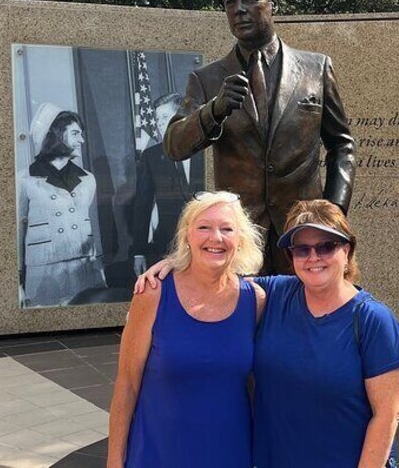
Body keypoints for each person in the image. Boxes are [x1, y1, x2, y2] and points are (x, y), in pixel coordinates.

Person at [136, 199, 399, 467]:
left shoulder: (373, 320)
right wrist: (174, 265)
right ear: (291, 257)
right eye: (301, 249)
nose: (313, 257)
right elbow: (216, 278)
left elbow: (387, 415)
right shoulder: (276, 294)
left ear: (346, 251)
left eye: (326, 246)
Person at [163, 0, 356, 274]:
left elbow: (342, 145)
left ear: (272, 2)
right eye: (230, 1)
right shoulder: (207, 79)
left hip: (303, 233)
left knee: (303, 320)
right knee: (247, 321)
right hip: (240, 237)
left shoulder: (315, 68)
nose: (238, 9)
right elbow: (174, 145)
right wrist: (215, 110)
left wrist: (332, 212)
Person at [107, 191, 266, 467]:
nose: (215, 238)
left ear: (239, 240)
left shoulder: (256, 300)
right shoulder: (153, 293)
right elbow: (127, 384)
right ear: (187, 235)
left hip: (229, 453)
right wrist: (114, 461)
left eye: (226, 229)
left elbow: (253, 386)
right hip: (159, 454)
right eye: (203, 227)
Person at [19, 103, 107, 307]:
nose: (82, 140)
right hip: (44, 277)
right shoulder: (24, 180)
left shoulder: (88, 179)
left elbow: (95, 230)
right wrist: (17, 284)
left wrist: (100, 271)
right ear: (57, 134)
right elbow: (16, 234)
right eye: (75, 133)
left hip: (85, 273)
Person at [132, 93, 202, 276]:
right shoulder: (151, 157)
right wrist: (139, 252)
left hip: (206, 244)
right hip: (168, 248)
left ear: (181, 118)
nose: (159, 123)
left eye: (165, 117)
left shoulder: (206, 152)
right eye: (157, 119)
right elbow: (142, 205)